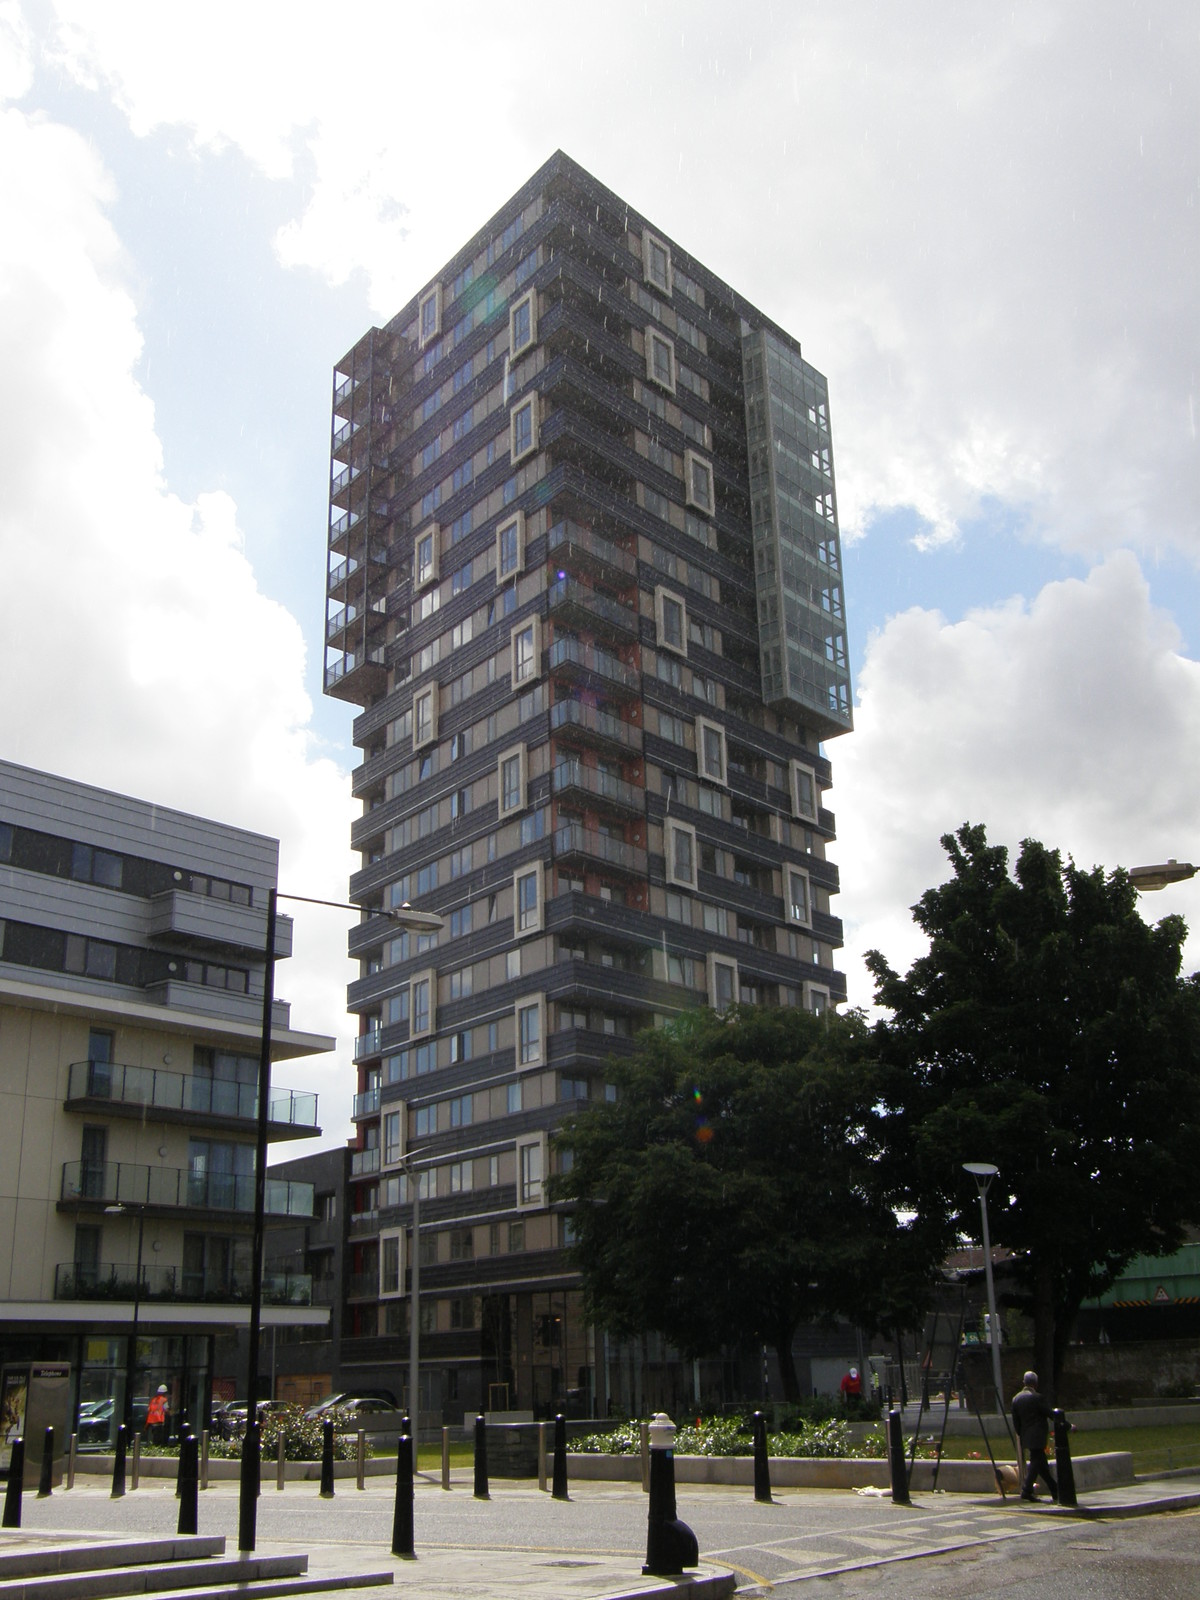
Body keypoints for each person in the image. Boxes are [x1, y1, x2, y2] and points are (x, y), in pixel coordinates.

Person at [1011, 1370, 1057, 1502]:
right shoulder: (1037, 1398)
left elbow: (1016, 1421)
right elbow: (1050, 1413)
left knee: (1041, 1464)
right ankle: (1026, 1490)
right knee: (1036, 1461)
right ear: (1035, 1384)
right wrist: (1066, 1424)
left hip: (1026, 1436)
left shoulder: (1016, 1399)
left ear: (1023, 1383)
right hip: (1038, 1436)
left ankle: (1055, 1489)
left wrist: (1021, 1433)